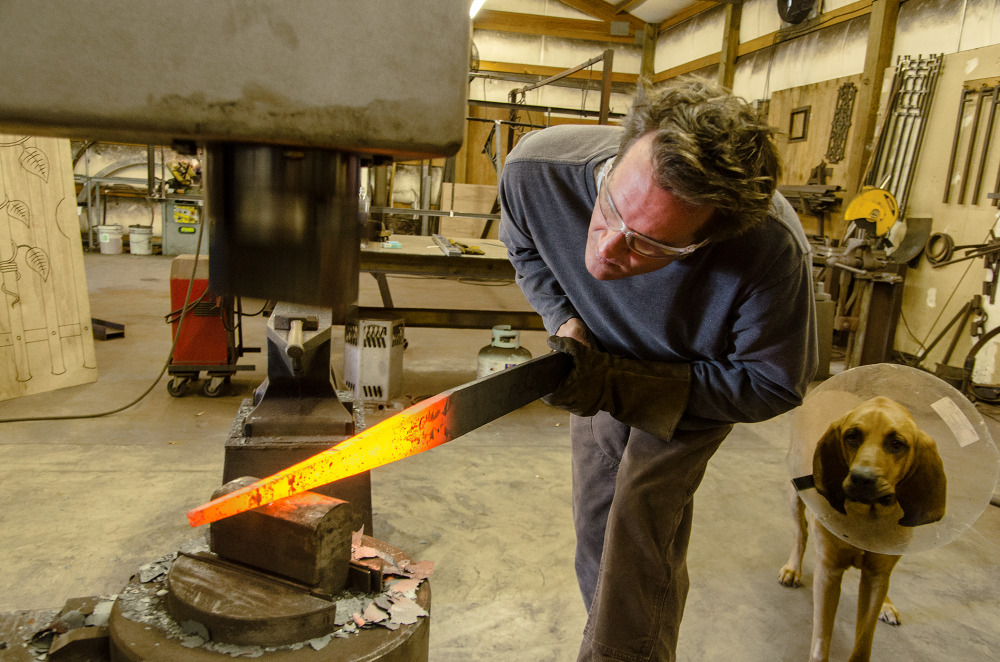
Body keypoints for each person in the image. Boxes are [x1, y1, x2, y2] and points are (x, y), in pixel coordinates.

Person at [498, 77, 819, 661]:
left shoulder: (770, 248)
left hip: (692, 386)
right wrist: (565, 318)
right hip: (595, 356)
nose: (604, 251)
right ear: (622, 151)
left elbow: (771, 384)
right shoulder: (535, 172)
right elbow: (524, 249)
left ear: (704, 241)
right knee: (596, 525)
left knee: (636, 540)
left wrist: (622, 383)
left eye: (647, 245)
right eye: (610, 209)